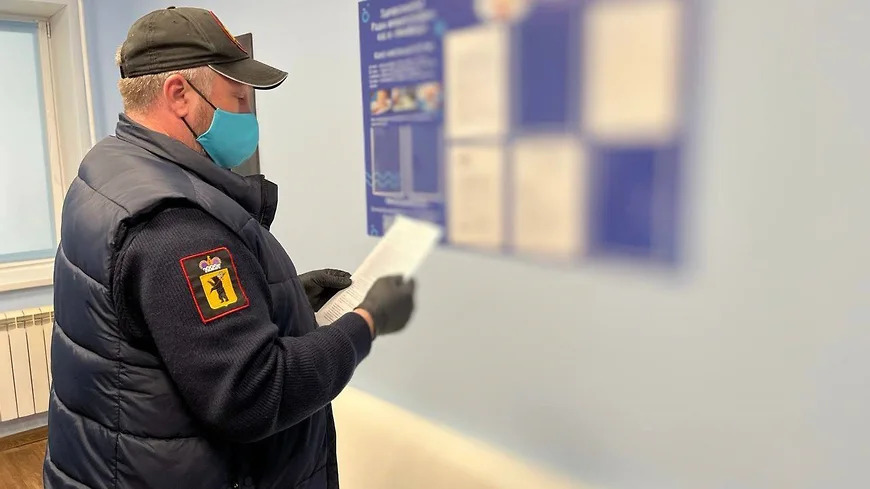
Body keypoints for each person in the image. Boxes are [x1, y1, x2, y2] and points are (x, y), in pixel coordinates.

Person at [44, 7, 416, 489]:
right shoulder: (176, 225)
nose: (247, 113)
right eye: (238, 97)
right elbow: (254, 394)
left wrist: (284, 299)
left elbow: (166, 319)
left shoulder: (110, 172)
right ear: (179, 94)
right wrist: (367, 321)